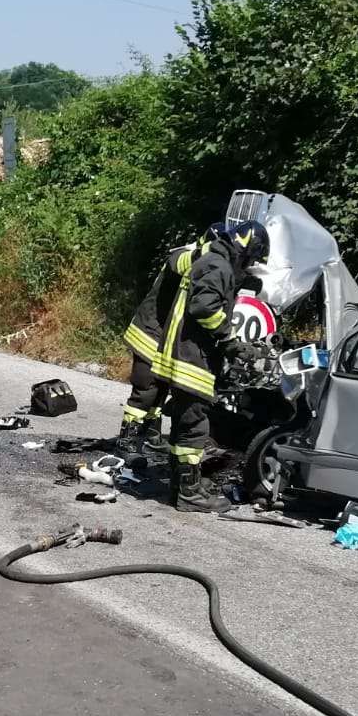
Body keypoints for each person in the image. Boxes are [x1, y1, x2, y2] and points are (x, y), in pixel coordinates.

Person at [123, 220, 270, 514]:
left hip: (183, 355)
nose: (250, 264)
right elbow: (205, 308)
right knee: (194, 428)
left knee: (183, 426)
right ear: (245, 250)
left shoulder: (212, 261)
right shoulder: (218, 266)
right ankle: (189, 494)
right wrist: (229, 340)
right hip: (192, 359)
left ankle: (182, 488)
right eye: (252, 258)